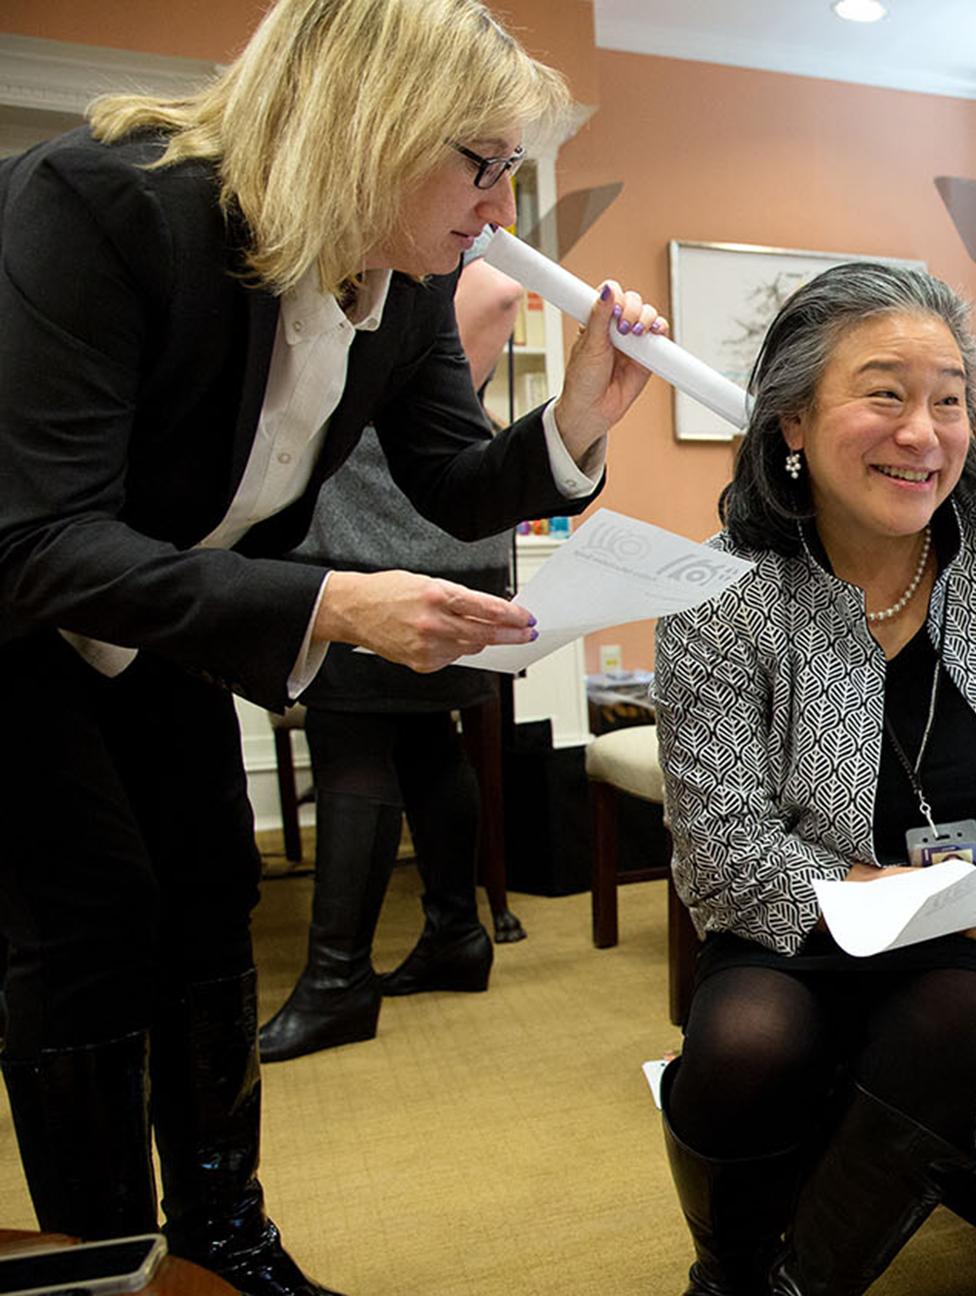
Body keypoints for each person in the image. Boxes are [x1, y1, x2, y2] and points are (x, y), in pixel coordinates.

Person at [0, 1, 668, 1290]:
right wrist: (327, 605)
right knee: (91, 924)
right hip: (21, 623)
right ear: (375, 126)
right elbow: (39, 538)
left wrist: (578, 418)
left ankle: (225, 1242)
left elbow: (452, 485)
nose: (502, 204)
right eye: (483, 162)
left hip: (159, 630)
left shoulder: (398, 286)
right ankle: (109, 1265)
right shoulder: (99, 208)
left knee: (206, 902)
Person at [652, 262, 976, 1295]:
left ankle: (801, 1284)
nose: (923, 432)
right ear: (793, 421)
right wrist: (948, 906)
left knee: (952, 1019)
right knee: (744, 1041)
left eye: (948, 400)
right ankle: (731, 1270)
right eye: (885, 394)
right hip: (815, 918)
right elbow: (726, 856)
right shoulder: (719, 594)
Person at [256, 260, 526, 1063]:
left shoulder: (413, 269)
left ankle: (337, 981)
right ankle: (456, 932)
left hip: (372, 538)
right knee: (427, 742)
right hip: (451, 545)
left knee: (350, 744)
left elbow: (498, 293)